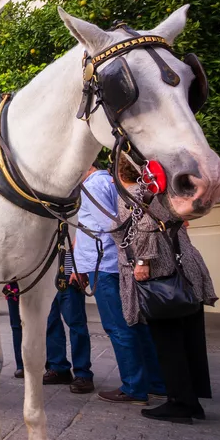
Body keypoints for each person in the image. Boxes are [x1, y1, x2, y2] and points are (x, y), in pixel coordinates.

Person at [114, 156, 218, 424]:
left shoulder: (133, 194)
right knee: (189, 338)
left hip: (162, 275)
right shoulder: (160, 191)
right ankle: (192, 400)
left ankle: (180, 404)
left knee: (168, 341)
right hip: (186, 268)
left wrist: (141, 261)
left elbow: (145, 227)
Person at [74, 160, 165, 406]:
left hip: (104, 263)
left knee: (118, 326)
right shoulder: (108, 182)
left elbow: (110, 224)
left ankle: (134, 387)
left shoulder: (93, 186)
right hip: (114, 262)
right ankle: (155, 382)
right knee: (135, 323)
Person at [43, 248, 95, 394]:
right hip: (46, 276)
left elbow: (80, 241)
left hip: (69, 274)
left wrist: (78, 269)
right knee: (50, 323)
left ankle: (83, 373)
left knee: (76, 324)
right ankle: (58, 368)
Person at [2, 282, 23, 378]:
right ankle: (21, 364)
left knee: (36, 323)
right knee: (16, 325)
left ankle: (41, 361)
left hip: (32, 279)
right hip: (13, 283)